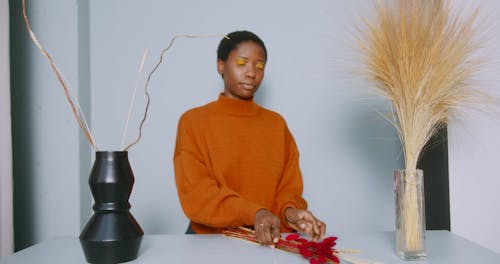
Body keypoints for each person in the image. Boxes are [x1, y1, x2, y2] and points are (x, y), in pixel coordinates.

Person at [173, 30, 326, 246]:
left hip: (268, 241)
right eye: (242, 62)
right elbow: (197, 193)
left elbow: (288, 186)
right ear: (220, 65)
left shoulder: (276, 124)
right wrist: (255, 212)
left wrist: (290, 212)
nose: (251, 73)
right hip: (209, 242)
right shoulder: (193, 122)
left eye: (260, 66)